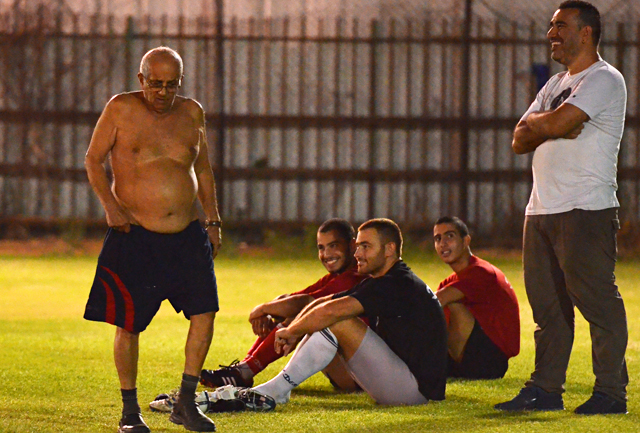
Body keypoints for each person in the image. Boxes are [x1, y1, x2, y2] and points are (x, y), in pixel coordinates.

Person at [495, 1, 628, 415]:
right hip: (540, 209)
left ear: (586, 32)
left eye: (560, 25)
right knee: (548, 308)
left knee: (598, 303)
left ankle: (610, 393)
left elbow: (549, 125)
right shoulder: (554, 83)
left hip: (584, 209)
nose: (551, 33)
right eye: (551, 25)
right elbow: (519, 139)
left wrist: (547, 123)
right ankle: (545, 389)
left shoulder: (605, 78)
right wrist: (551, 123)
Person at [84, 47, 220, 432]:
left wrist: (213, 221)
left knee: (205, 313)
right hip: (134, 236)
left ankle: (186, 403)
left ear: (181, 83)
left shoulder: (192, 113)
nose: (163, 92)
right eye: (156, 84)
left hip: (187, 236)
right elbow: (93, 160)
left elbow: (203, 170)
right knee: (129, 324)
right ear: (141, 79)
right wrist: (111, 207)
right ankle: (130, 412)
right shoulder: (120, 109)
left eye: (171, 85)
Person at [247, 218, 447, 406]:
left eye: (366, 246)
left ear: (389, 249)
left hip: (416, 391)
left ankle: (276, 389)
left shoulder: (396, 283)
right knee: (324, 316)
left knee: (339, 320)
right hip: (404, 380)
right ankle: (277, 388)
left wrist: (292, 331)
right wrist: (296, 328)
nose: (357, 254)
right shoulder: (387, 279)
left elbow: (331, 311)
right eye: (358, 246)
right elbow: (323, 302)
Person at [200, 218, 367, 391]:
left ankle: (246, 370)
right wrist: (270, 311)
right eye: (321, 248)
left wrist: (261, 309)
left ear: (352, 245)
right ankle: (244, 369)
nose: (327, 254)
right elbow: (292, 298)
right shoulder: (336, 277)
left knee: (303, 313)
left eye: (333, 246)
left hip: (362, 377)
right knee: (288, 307)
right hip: (349, 369)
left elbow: (305, 302)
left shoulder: (355, 277)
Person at [433, 216, 520, 379]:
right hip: (474, 354)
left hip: (490, 361)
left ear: (466, 241)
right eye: (438, 238)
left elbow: (436, 301)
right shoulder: (449, 281)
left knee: (449, 305)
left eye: (449, 236)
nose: (442, 243)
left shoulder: (482, 272)